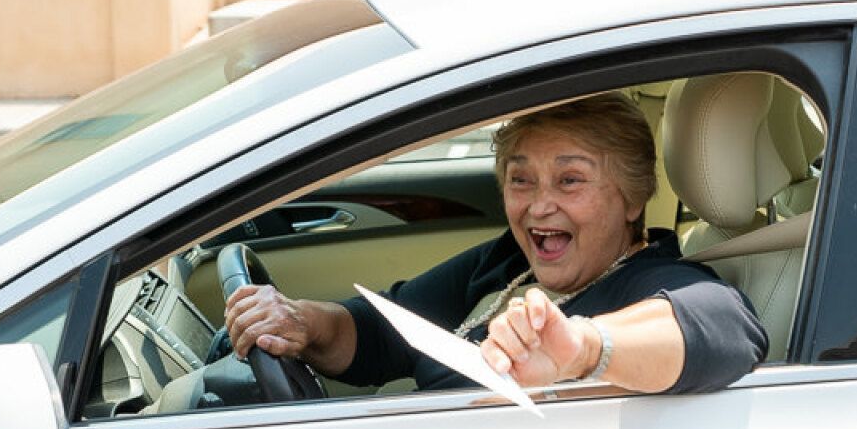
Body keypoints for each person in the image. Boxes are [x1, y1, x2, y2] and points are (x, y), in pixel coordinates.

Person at [225, 93, 768, 394]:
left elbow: (723, 325)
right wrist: (299, 321)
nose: (537, 205)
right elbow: (381, 335)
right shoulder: (509, 262)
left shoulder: (654, 281)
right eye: (520, 178)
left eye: (570, 180)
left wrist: (580, 348)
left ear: (632, 197)